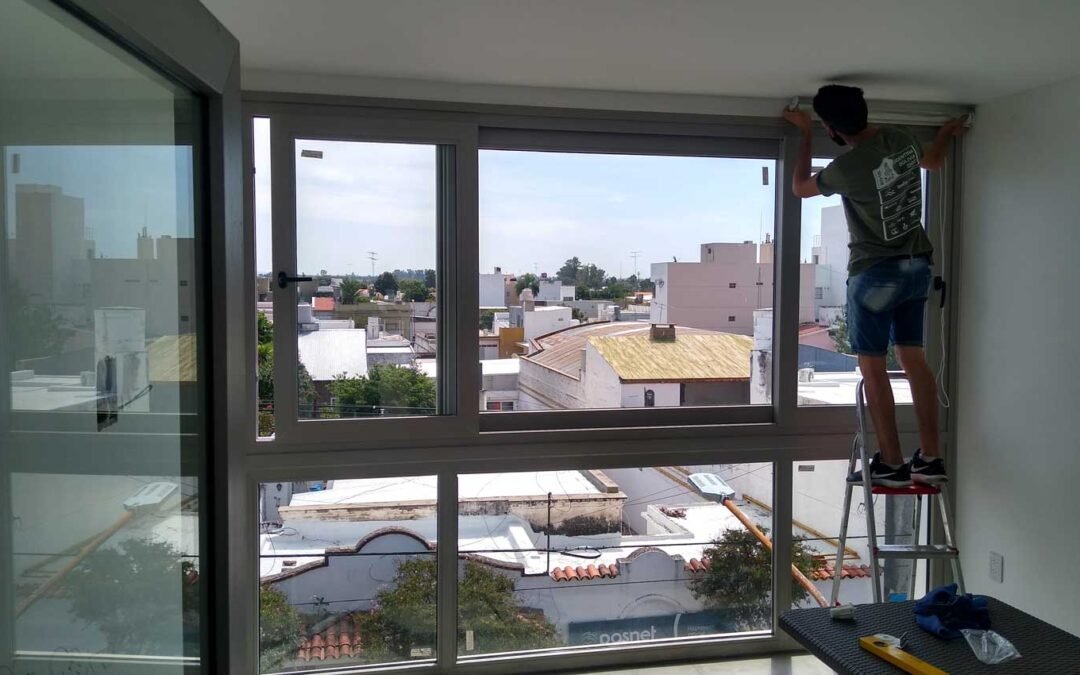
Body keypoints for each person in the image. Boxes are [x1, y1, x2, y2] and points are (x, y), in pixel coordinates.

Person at [783, 85, 967, 487]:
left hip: (875, 272)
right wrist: (944, 134)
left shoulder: (847, 168)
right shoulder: (901, 139)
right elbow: (934, 161)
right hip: (917, 266)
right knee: (914, 360)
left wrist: (804, 133)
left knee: (873, 366)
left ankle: (892, 462)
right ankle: (930, 457)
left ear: (831, 128)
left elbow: (799, 187)